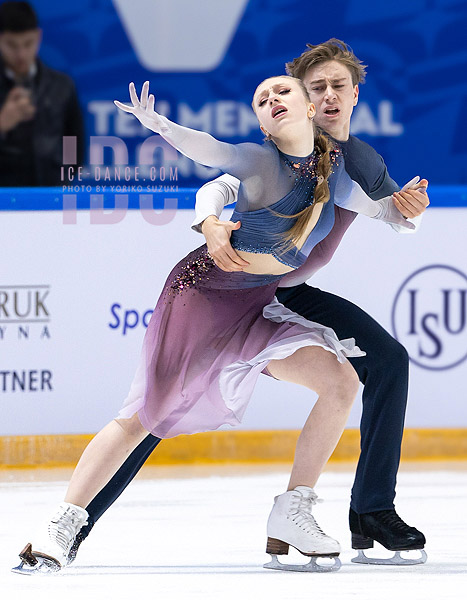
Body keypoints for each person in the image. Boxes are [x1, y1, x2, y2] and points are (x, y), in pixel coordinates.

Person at [14, 75, 412, 575]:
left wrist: (405, 210)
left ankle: (292, 511)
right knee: (145, 414)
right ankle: (63, 522)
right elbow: (212, 153)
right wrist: (161, 127)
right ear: (263, 122)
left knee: (339, 382)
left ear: (311, 107)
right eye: (261, 99)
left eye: (282, 92)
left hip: (257, 307)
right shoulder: (259, 159)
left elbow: (388, 212)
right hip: (203, 296)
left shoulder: (337, 172)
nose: (272, 101)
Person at [0, 1, 84, 186]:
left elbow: (73, 142)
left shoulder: (62, 86)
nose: (21, 54)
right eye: (12, 45)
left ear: (38, 37)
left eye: (27, 43)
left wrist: (62, 177)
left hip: (52, 194)